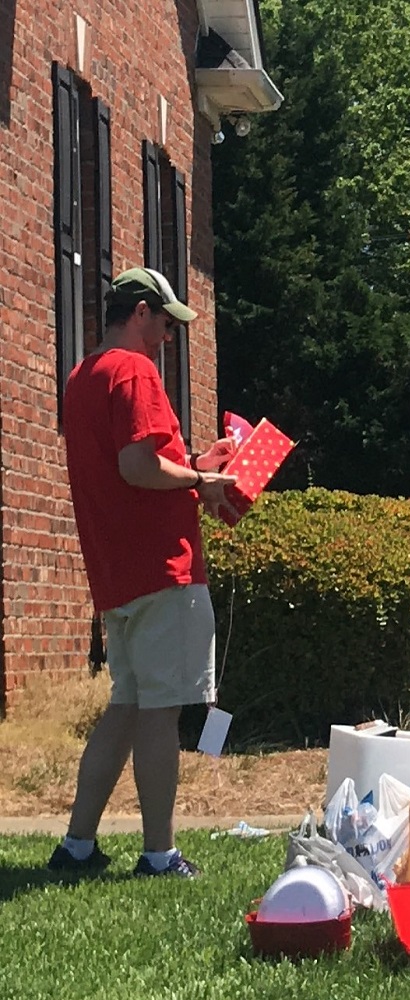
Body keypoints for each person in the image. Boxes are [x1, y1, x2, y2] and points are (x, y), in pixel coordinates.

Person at [47, 267, 239, 879]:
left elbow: (135, 463)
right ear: (138, 312)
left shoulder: (82, 377)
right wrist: (203, 480)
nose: (166, 337)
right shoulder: (133, 370)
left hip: (117, 574)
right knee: (161, 711)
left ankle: (76, 847)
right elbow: (136, 465)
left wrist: (190, 462)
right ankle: (159, 855)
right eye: (163, 323)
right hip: (164, 569)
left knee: (125, 706)